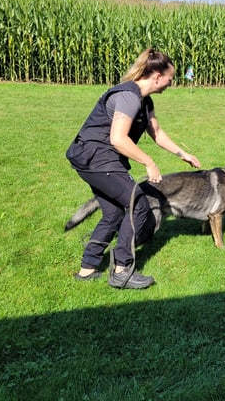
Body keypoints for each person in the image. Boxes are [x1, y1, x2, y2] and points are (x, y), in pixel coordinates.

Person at [66, 48, 201, 289]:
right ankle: (122, 270)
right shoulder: (128, 96)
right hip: (95, 157)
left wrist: (183, 154)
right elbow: (118, 138)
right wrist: (148, 162)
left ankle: (87, 269)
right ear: (157, 76)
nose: (171, 83)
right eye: (170, 78)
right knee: (137, 202)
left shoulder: (144, 100)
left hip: (95, 157)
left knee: (114, 213)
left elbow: (156, 132)